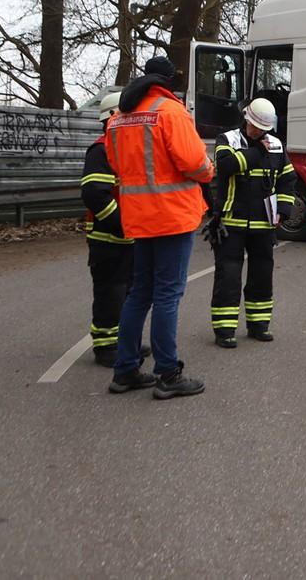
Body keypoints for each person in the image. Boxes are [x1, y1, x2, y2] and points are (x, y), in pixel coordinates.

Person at [105, 56, 215, 399]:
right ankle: (167, 373)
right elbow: (195, 162)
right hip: (172, 215)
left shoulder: (119, 117)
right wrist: (208, 171)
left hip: (139, 216)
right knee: (168, 295)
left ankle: (125, 371)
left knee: (140, 293)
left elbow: (114, 162)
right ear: (168, 80)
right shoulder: (170, 111)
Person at [207, 98, 296, 348]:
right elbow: (226, 166)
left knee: (262, 275)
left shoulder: (277, 145)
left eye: (264, 129)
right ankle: (225, 330)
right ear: (247, 120)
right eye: (257, 127)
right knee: (229, 275)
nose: (260, 133)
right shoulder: (227, 140)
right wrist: (257, 152)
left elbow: (288, 179)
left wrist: (284, 210)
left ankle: (259, 325)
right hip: (231, 221)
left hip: (263, 224)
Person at [80, 92, 137, 368]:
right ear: (114, 118)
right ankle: (105, 346)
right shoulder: (101, 150)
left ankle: (124, 341)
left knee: (128, 292)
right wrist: (121, 223)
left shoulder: (124, 149)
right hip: (108, 238)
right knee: (110, 293)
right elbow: (95, 194)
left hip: (129, 237)